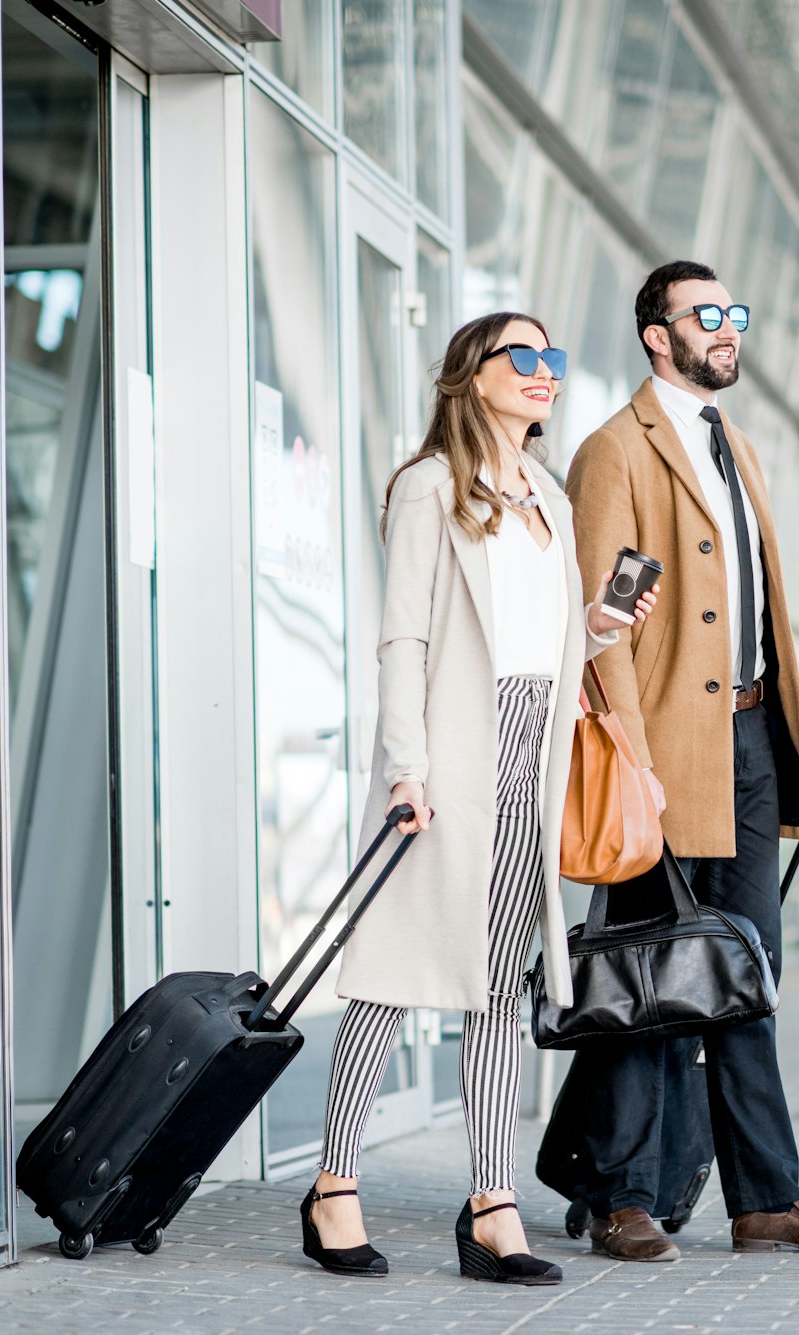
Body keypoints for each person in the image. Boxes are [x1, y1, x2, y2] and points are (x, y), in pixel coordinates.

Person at [299, 312, 657, 1286]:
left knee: (502, 985)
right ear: (471, 374)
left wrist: (599, 622)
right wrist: (404, 768)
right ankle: (333, 1185)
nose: (544, 374)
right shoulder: (428, 488)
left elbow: (547, 644)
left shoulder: (547, 494)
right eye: (522, 357)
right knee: (390, 976)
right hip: (450, 751)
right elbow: (403, 637)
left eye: (553, 360)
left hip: (531, 754)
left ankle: (491, 1202)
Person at [543, 259, 799, 1261]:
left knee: (746, 972)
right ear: (657, 334)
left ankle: (765, 1199)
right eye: (707, 315)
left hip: (743, 740)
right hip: (660, 748)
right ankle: (622, 1197)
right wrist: (629, 757)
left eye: (734, 313)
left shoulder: (735, 444)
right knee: (647, 971)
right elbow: (596, 627)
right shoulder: (615, 451)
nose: (726, 329)